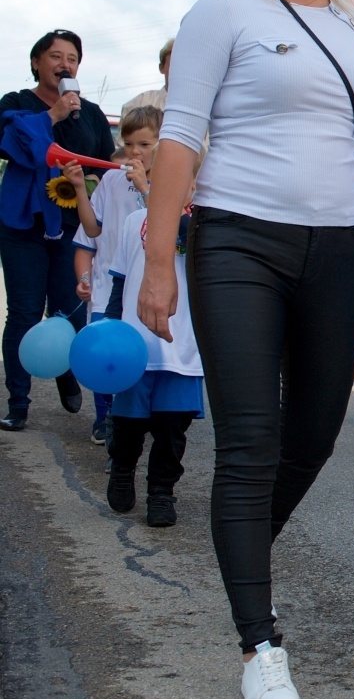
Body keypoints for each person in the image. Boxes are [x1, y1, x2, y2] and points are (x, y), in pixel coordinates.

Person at [138, 0, 354, 699]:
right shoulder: (223, 10)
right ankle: (260, 640)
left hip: (337, 251)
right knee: (250, 441)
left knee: (315, 434)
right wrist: (156, 255)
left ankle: (241, 554)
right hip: (236, 242)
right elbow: (181, 134)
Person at [0, 29, 116, 431]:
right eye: (55, 56)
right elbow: (17, 145)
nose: (65, 64)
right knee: (25, 313)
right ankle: (18, 404)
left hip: (73, 232)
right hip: (24, 228)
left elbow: (107, 166)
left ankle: (71, 376)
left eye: (72, 58)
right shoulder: (16, 104)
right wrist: (54, 115)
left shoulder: (92, 113)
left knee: (71, 314)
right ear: (36, 62)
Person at [104, 168, 203, 528]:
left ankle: (161, 491)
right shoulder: (134, 221)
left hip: (183, 349)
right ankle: (122, 469)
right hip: (136, 345)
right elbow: (120, 281)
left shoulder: (203, 228)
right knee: (128, 423)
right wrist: (110, 330)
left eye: (187, 181)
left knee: (172, 429)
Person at [73, 105, 162, 445]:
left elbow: (159, 226)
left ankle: (133, 422)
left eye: (144, 144)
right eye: (128, 144)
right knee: (103, 353)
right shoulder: (110, 179)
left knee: (139, 358)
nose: (134, 152)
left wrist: (144, 186)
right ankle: (104, 420)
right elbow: (92, 230)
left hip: (143, 287)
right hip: (106, 285)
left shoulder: (170, 181)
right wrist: (81, 188)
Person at [120, 38, 172, 119]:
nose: (178, 71)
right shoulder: (140, 103)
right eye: (173, 65)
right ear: (161, 68)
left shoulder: (197, 105)